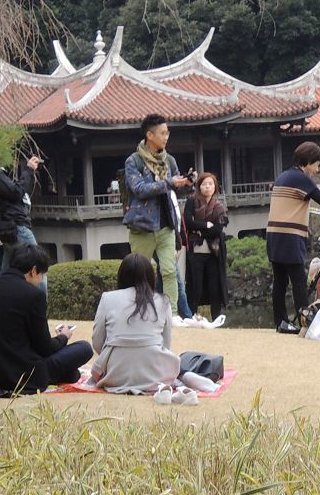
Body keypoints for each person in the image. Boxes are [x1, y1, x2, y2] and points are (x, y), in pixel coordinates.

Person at [0, 243, 92, 396]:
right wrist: (63, 336)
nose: (40, 280)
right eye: (41, 275)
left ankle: (66, 373)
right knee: (84, 348)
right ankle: (64, 373)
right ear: (33, 271)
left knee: (71, 372)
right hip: (19, 375)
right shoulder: (33, 295)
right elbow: (45, 348)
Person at [267, 141, 320, 333]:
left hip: (274, 235)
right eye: (317, 164)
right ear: (308, 161)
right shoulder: (301, 178)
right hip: (290, 237)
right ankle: (306, 323)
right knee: (298, 280)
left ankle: (281, 322)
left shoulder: (283, 176)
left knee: (279, 282)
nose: (317, 169)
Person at [88, 253, 186, 395]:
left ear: (121, 276)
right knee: (186, 358)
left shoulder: (108, 298)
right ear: (151, 277)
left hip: (115, 374)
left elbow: (97, 341)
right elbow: (166, 345)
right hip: (154, 375)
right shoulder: (163, 301)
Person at [123, 116, 190, 311]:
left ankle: (171, 314)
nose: (166, 136)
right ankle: (138, 311)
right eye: (162, 133)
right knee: (139, 274)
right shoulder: (134, 161)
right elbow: (139, 189)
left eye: (167, 132)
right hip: (141, 226)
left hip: (166, 225)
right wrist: (169, 183)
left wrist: (186, 184)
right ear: (149, 135)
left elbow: (176, 191)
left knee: (169, 271)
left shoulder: (169, 160)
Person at [182, 172, 229, 323]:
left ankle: (216, 319)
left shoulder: (219, 206)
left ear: (215, 187)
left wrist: (199, 230)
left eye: (210, 184)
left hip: (214, 251)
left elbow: (218, 229)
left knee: (214, 286)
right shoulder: (192, 201)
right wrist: (205, 225)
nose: (207, 187)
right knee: (195, 286)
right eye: (204, 184)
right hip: (196, 251)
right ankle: (191, 317)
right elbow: (188, 223)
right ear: (199, 186)